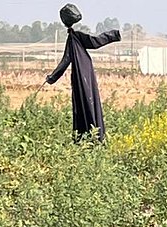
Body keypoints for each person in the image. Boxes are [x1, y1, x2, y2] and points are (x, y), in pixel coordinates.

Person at [45, 4, 120, 142]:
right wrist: (52, 77)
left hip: (82, 75)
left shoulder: (75, 37)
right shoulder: (75, 36)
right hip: (85, 73)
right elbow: (94, 43)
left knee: (86, 102)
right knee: (88, 102)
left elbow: (66, 60)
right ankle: (92, 136)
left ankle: (91, 137)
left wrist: (52, 78)